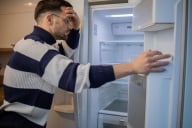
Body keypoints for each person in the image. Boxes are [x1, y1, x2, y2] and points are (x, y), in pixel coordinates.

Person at [0, 0, 171, 128]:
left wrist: (76, 28)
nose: (69, 25)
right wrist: (133, 66)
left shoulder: (43, 45)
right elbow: (75, 77)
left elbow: (67, 49)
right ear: (50, 19)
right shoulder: (33, 47)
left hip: (29, 122)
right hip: (17, 123)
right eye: (67, 20)